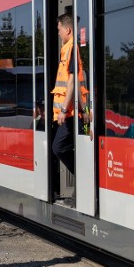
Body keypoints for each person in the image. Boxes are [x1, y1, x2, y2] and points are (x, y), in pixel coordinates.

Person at [51, 14, 90, 177]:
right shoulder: (67, 48)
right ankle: (82, 181)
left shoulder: (72, 48)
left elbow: (73, 82)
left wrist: (64, 110)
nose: (58, 33)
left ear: (67, 29)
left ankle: (83, 177)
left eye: (59, 29)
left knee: (58, 147)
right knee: (71, 147)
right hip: (75, 112)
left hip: (71, 113)